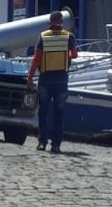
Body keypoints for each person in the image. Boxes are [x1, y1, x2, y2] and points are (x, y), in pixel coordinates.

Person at [27, 11, 78, 153]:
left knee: (43, 111)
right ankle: (56, 145)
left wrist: (30, 77)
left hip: (45, 79)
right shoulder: (69, 37)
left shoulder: (43, 37)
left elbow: (36, 58)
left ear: (49, 22)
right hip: (61, 79)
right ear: (61, 22)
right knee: (59, 113)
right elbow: (74, 55)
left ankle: (42, 142)